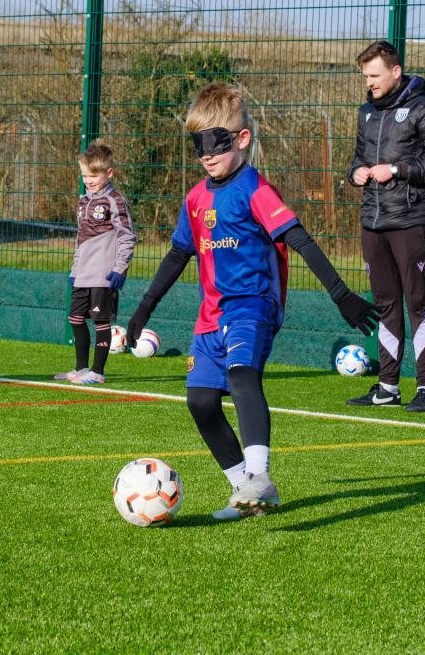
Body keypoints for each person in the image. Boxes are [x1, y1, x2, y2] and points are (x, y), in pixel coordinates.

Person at [125, 83, 379, 521]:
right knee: (200, 402)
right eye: (198, 145)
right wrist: (144, 308)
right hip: (211, 316)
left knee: (242, 376)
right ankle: (246, 492)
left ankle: (259, 476)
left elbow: (300, 240)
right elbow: (178, 255)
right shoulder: (195, 198)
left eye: (216, 142)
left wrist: (341, 295)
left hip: (254, 307)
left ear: (242, 139)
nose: (206, 155)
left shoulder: (256, 189)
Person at [346, 40, 425, 413]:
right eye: (366, 76)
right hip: (372, 220)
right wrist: (356, 173)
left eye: (375, 76)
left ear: (396, 72)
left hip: (411, 220)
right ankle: (387, 386)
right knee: (385, 303)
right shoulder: (366, 112)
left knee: (418, 303)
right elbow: (357, 158)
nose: (369, 83)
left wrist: (396, 169)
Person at [54, 140, 136, 385]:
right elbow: (80, 239)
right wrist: (75, 269)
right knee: (75, 319)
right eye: (85, 175)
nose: (88, 180)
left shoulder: (115, 199)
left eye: (93, 176)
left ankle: (97, 371)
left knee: (101, 322)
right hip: (83, 273)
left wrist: (120, 269)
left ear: (109, 173)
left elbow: (127, 236)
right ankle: (81, 368)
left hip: (104, 274)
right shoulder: (82, 201)